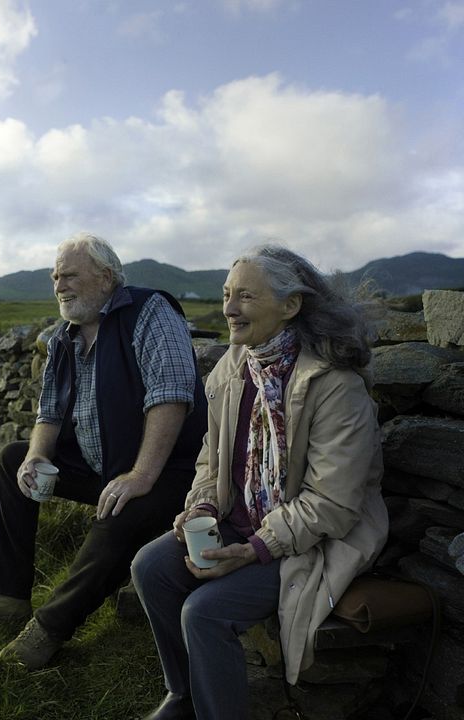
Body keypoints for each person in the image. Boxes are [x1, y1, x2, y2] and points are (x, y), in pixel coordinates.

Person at [131, 245, 388, 720]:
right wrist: (204, 506)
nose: (228, 308)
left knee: (204, 612)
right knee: (150, 566)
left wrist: (254, 549)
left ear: (290, 306)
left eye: (245, 296)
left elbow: (332, 504)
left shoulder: (334, 385)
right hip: (241, 518)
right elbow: (213, 458)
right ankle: (184, 694)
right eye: (227, 294)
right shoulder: (234, 365)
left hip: (313, 541)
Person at [0, 231, 208, 670]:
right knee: (13, 459)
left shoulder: (148, 311)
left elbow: (171, 396)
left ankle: (49, 628)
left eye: (69, 275)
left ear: (106, 277)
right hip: (106, 467)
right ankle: (6, 595)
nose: (59, 285)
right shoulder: (64, 339)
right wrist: (36, 458)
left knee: (118, 512)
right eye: (54, 277)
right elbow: (48, 413)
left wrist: (140, 475)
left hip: (172, 473)